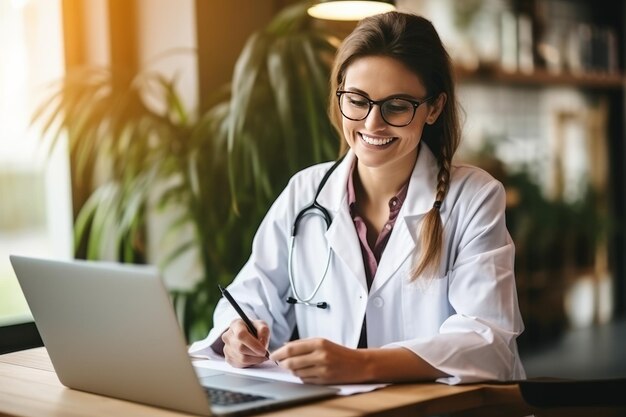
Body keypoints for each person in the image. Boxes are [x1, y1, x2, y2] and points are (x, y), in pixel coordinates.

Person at [189, 11, 526, 385]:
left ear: (434, 108)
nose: (371, 124)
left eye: (396, 106)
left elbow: (487, 341)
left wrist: (362, 364)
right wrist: (237, 334)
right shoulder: (305, 191)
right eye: (357, 100)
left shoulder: (475, 197)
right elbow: (250, 297)